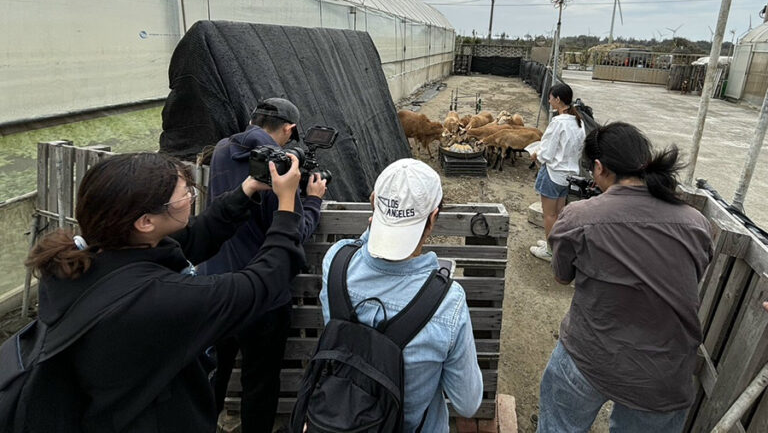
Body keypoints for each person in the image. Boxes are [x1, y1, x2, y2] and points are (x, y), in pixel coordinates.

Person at [22, 151, 305, 432]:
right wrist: (287, 205)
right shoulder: (159, 299)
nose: (192, 197)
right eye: (185, 193)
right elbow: (263, 283)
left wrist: (249, 189)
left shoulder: (80, 262)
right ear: (145, 222)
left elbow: (196, 236)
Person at [537, 122, 713, 433]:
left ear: (600, 168)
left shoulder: (580, 217)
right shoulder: (696, 222)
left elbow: (562, 277)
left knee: (558, 424)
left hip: (590, 354)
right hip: (664, 372)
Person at [319, 158, 483, 432]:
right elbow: (467, 403)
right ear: (433, 218)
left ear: (373, 203)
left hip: (338, 416)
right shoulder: (447, 303)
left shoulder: (335, 262)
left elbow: (360, 248)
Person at [198, 97, 327, 433]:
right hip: (263, 294)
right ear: (288, 129)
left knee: (214, 371)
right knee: (260, 379)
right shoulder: (280, 165)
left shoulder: (224, 148)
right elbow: (293, 229)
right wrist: (311, 200)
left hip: (216, 284)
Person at [529, 82, 586, 261]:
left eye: (551, 97)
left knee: (550, 214)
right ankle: (555, 245)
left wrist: (536, 155)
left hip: (554, 173)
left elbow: (547, 152)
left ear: (558, 99)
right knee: (560, 213)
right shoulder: (579, 122)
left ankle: (550, 251)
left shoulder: (558, 122)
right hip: (569, 175)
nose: (549, 100)